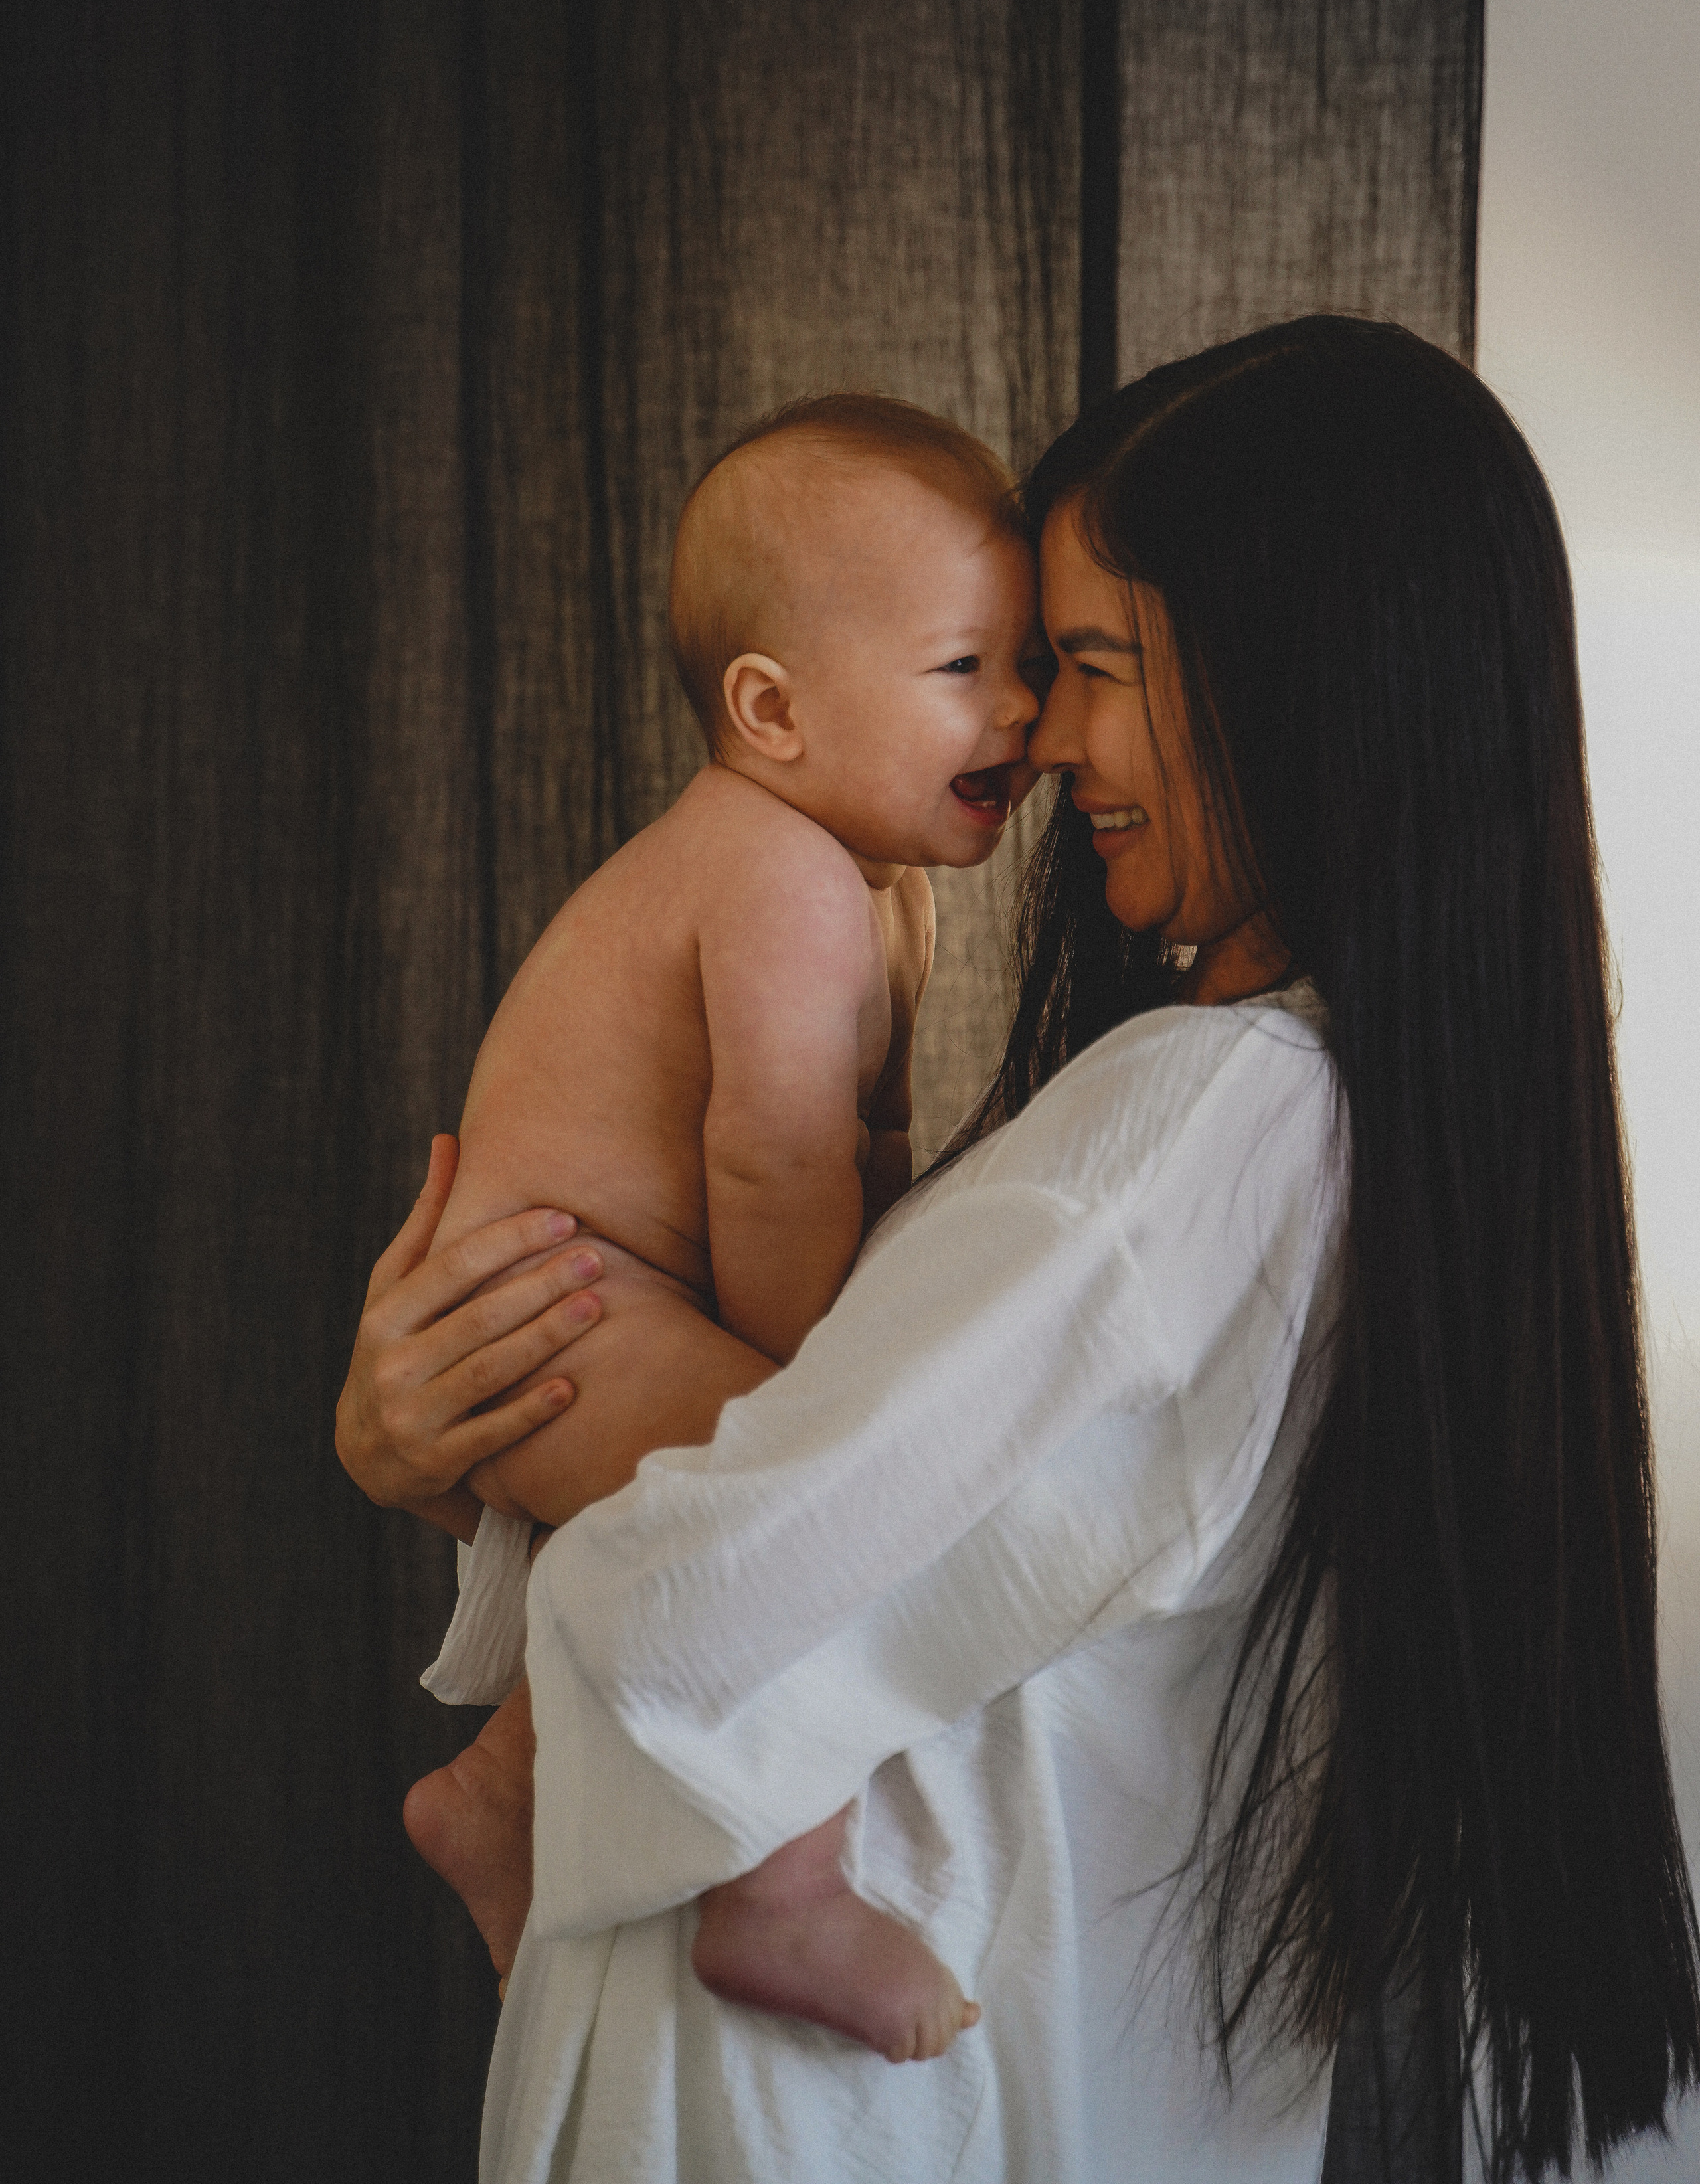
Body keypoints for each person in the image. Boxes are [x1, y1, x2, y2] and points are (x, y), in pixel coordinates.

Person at [338, 317, 1700, 2184]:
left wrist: (474, 1473)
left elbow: (699, 1600)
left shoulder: (1189, 1138)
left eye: (1086, 668)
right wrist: (466, 1450)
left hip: (832, 2117)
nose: (1043, 737)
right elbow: (908, 1532)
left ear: (1296, 676)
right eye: (1014, 669)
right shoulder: (1313, 1124)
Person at [385, 392, 1039, 2052]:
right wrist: (821, 1387)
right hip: (561, 1302)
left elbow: (863, 1150)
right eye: (963, 666)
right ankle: (779, 1888)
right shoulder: (781, 879)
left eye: (1029, 662)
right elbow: (771, 1171)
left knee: (712, 1514)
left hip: (607, 1300)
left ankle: (502, 1796)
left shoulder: (877, 890)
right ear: (770, 710)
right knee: (815, 1503)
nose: (1022, 709)